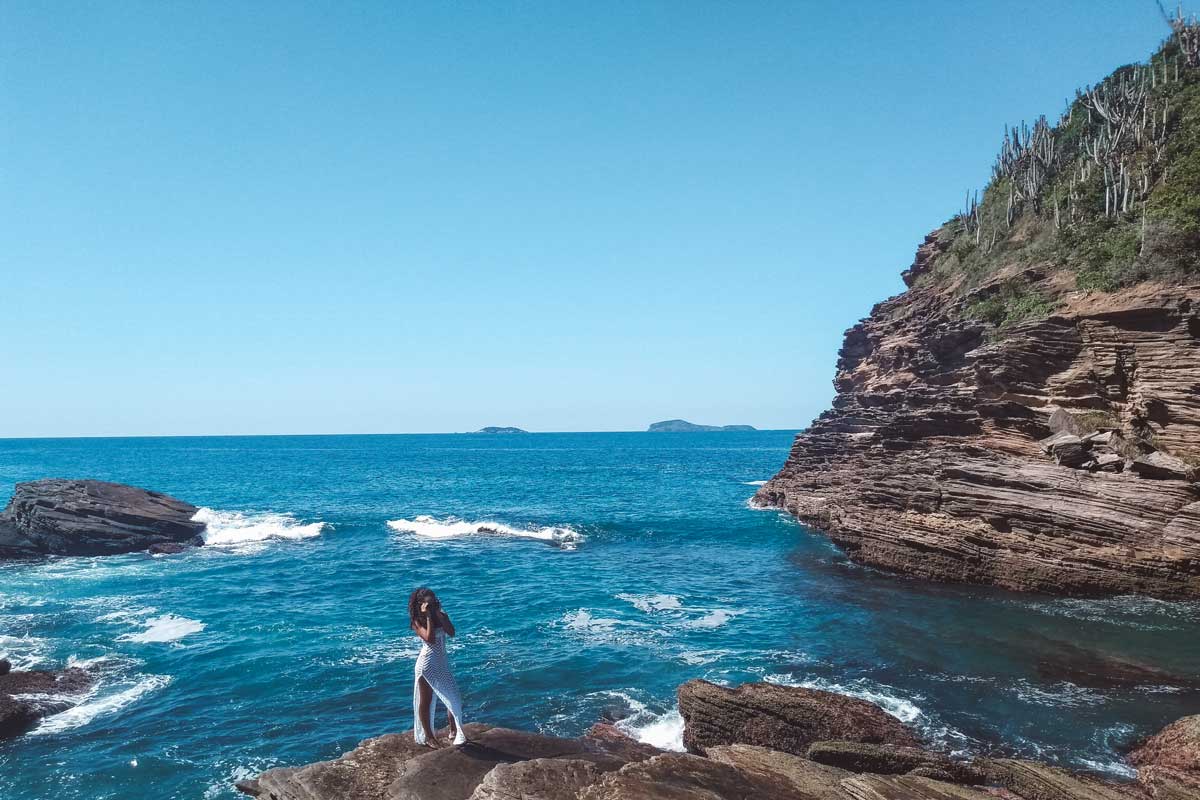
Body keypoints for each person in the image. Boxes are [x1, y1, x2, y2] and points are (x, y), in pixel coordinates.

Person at [409, 587, 467, 747]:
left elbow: (452, 632)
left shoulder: (441, 615)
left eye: (433, 600)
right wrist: (428, 616)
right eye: (429, 601)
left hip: (441, 663)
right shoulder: (416, 621)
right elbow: (430, 639)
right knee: (425, 700)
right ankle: (429, 737)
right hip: (427, 664)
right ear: (421, 604)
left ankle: (454, 731)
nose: (433, 603)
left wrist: (439, 615)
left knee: (453, 696)